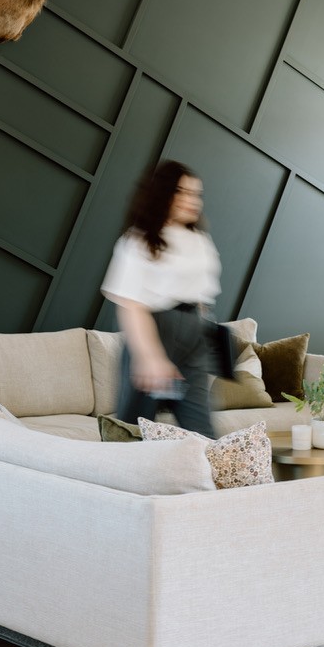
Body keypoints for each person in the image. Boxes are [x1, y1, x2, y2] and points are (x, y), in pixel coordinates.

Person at [101, 159, 221, 438]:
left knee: (202, 431)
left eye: (196, 194)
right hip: (154, 335)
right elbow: (131, 305)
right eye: (182, 192)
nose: (192, 201)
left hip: (193, 340)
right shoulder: (137, 241)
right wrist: (149, 357)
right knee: (135, 430)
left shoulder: (200, 240)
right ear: (163, 194)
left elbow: (201, 297)